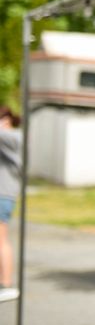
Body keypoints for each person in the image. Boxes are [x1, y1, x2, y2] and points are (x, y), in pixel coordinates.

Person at [0, 106, 22, 303]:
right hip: (4, 195)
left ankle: (6, 284)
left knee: (1, 239)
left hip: (2, 195)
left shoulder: (12, 138)